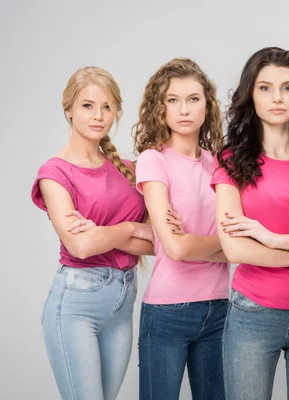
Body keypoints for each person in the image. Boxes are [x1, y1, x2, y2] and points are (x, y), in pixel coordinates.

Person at [32, 66, 153, 400]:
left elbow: (161, 242)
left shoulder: (130, 170)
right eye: (87, 105)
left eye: (107, 106)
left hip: (123, 302)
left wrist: (103, 232)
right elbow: (81, 245)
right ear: (68, 109)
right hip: (76, 305)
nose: (98, 115)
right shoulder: (54, 173)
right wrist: (130, 227)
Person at [211, 47, 289, 400]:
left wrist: (272, 239)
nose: (277, 98)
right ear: (250, 94)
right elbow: (233, 247)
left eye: (288, 88)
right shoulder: (231, 160)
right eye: (265, 87)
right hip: (254, 311)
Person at [133, 58, 229, 400]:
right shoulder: (153, 160)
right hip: (167, 311)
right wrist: (223, 245)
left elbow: (234, 242)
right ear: (160, 107)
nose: (183, 109)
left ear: (208, 105)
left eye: (193, 98)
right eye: (173, 100)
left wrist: (196, 242)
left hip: (219, 307)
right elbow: (175, 249)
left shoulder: (220, 163)